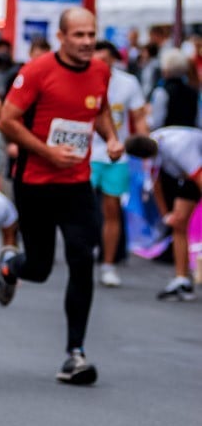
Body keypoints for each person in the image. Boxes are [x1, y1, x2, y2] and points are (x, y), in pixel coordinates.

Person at [0, 7, 124, 385]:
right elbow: (6, 120)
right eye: (78, 35)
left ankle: (75, 354)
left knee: (83, 258)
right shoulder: (37, 71)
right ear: (62, 37)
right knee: (39, 267)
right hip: (35, 182)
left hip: (77, 183)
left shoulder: (101, 71)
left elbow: (98, 111)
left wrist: (111, 139)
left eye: (91, 35)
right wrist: (48, 152)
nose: (86, 43)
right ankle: (11, 265)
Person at [91, 40, 148, 287]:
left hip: (116, 155)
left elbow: (139, 118)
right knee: (82, 210)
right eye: (96, 60)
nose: (100, 65)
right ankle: (85, 254)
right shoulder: (84, 78)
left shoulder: (128, 83)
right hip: (84, 154)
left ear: (114, 59)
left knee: (112, 209)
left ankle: (108, 264)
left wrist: (146, 149)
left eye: (105, 60)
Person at [126, 127, 202, 300]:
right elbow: (156, 183)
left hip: (197, 172)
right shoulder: (151, 144)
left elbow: (199, 177)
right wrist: (166, 215)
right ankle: (182, 281)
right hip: (190, 177)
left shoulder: (178, 146)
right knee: (178, 223)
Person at [148, 47, 201, 130]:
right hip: (191, 137)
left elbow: (156, 122)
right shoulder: (193, 91)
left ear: (165, 70)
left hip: (168, 135)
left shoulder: (161, 92)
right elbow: (199, 121)